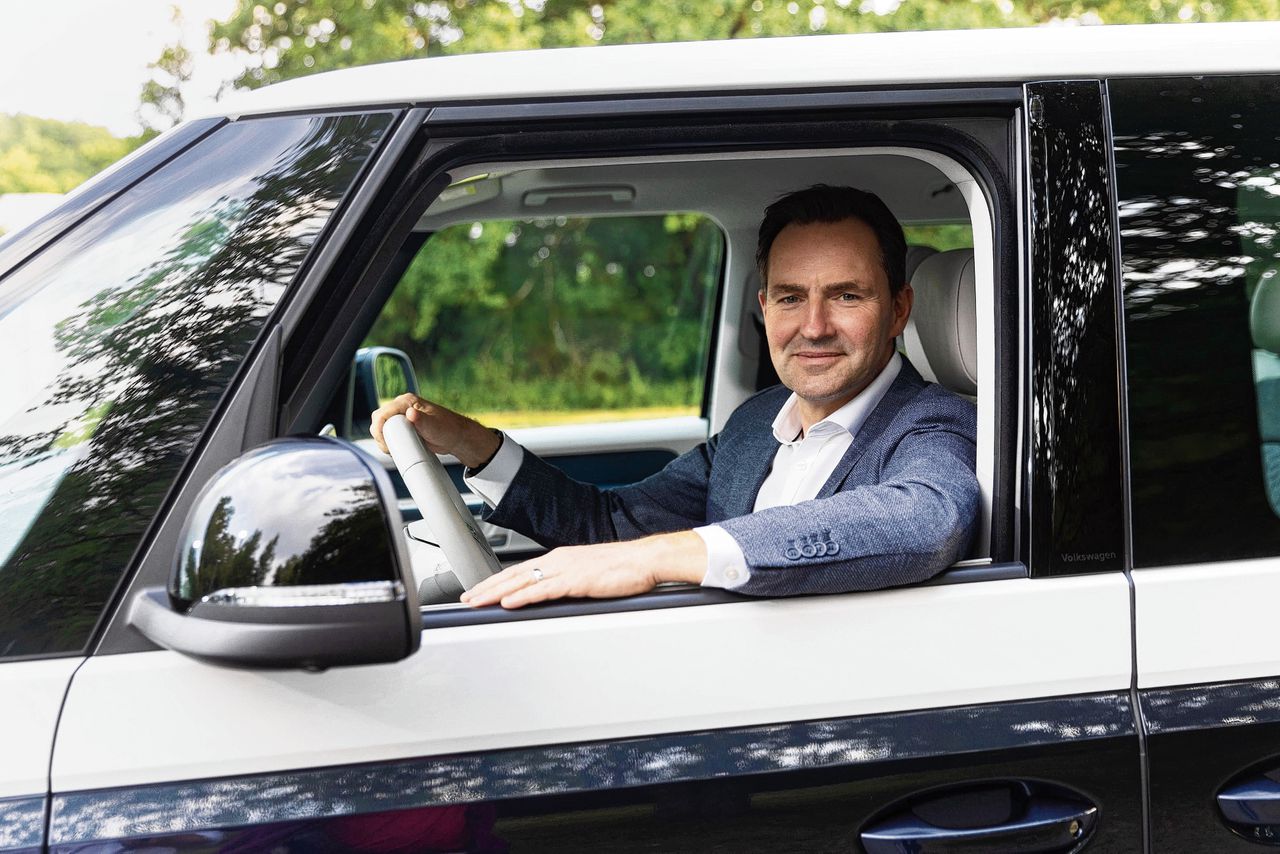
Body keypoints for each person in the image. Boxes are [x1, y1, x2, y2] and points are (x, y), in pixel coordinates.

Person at [371, 184, 979, 609]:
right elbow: (609, 525)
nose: (813, 326)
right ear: (765, 309)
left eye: (846, 296)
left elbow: (924, 520)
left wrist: (665, 558)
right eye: (791, 297)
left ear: (898, 310)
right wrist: (474, 446)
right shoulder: (757, 422)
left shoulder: (936, 424)